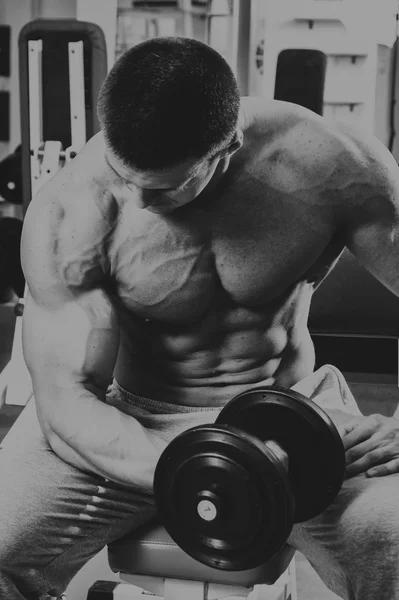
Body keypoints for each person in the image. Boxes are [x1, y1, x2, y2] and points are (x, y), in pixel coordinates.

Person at [1, 36, 399, 600]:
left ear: (227, 147)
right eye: (123, 172)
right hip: (128, 424)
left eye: (161, 187)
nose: (136, 199)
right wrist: (200, 466)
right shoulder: (73, 210)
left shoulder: (334, 167)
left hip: (291, 420)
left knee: (395, 544)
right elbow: (66, 398)